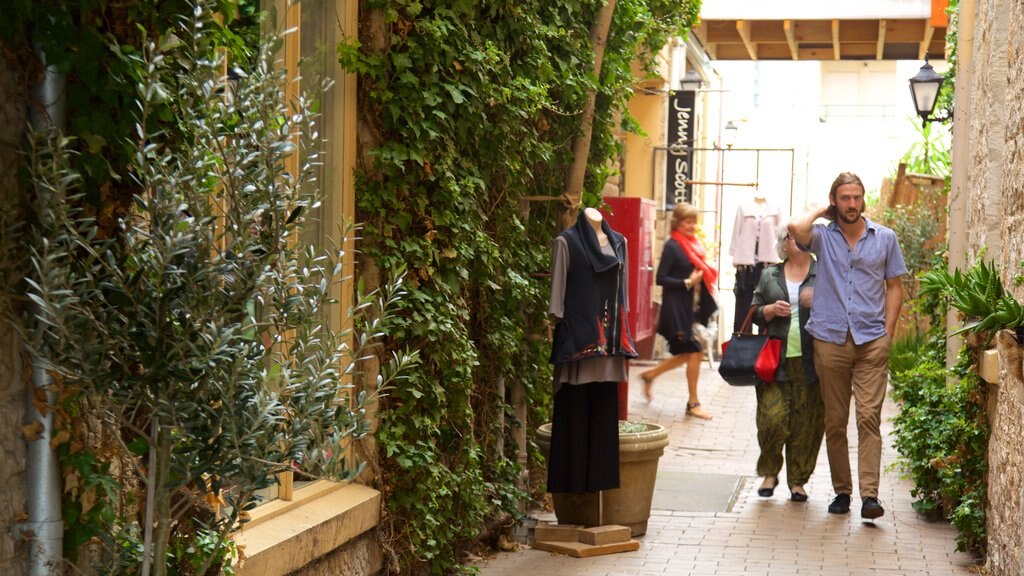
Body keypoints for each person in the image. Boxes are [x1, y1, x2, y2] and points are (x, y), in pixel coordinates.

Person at [788, 172, 907, 520]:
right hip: (830, 338)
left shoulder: (885, 238)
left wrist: (888, 332)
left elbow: (895, 286)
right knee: (836, 421)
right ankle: (843, 491)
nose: (851, 204)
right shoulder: (824, 237)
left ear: (863, 199)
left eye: (856, 197)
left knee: (869, 417)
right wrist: (820, 211)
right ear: (834, 202)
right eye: (844, 198)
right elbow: (796, 227)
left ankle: (870, 496)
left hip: (872, 340)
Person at [547, 207, 638, 494]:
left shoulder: (619, 243)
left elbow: (622, 298)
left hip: (609, 347)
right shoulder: (567, 242)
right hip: (578, 344)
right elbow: (556, 303)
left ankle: (600, 486)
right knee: (573, 415)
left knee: (603, 416)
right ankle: (572, 492)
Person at [749, 224, 823, 502]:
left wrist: (820, 300)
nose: (799, 240)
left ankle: (797, 481)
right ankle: (770, 471)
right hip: (773, 360)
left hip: (811, 358)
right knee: (772, 419)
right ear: (784, 243)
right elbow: (754, 311)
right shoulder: (770, 274)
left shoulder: (824, 273)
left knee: (806, 423)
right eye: (793, 236)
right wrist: (767, 310)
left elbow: (843, 306)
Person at [639, 202, 718, 420]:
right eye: (687, 221)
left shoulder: (692, 244)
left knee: (688, 353)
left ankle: (650, 375)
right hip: (675, 310)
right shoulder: (673, 246)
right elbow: (660, 278)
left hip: (688, 309)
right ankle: (693, 403)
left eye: (694, 221)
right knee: (694, 352)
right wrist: (687, 281)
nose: (691, 225)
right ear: (678, 223)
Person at [730, 189, 782, 334]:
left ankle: (764, 345)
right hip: (746, 265)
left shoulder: (775, 207)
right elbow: (736, 231)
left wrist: (782, 256)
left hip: (768, 263)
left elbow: (781, 233)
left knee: (766, 304)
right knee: (743, 306)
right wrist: (735, 255)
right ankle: (742, 343)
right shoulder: (744, 207)